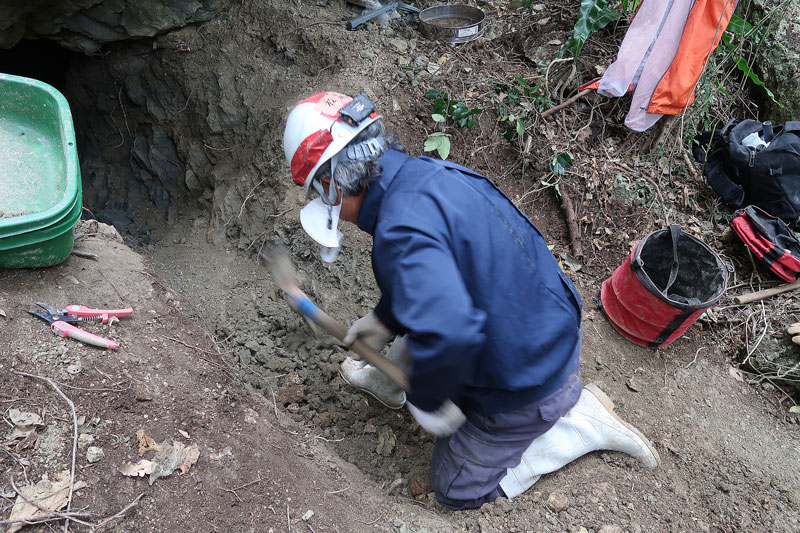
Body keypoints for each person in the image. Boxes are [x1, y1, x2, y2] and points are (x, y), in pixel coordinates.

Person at [282, 91, 660, 510]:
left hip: (527, 379)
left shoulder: (399, 235)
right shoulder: (425, 176)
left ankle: (573, 428)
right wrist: (384, 320)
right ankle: (391, 380)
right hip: (541, 321)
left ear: (333, 182)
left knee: (455, 489)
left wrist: (427, 398)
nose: (323, 201)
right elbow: (433, 279)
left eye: (317, 189)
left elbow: (452, 329)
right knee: (432, 317)